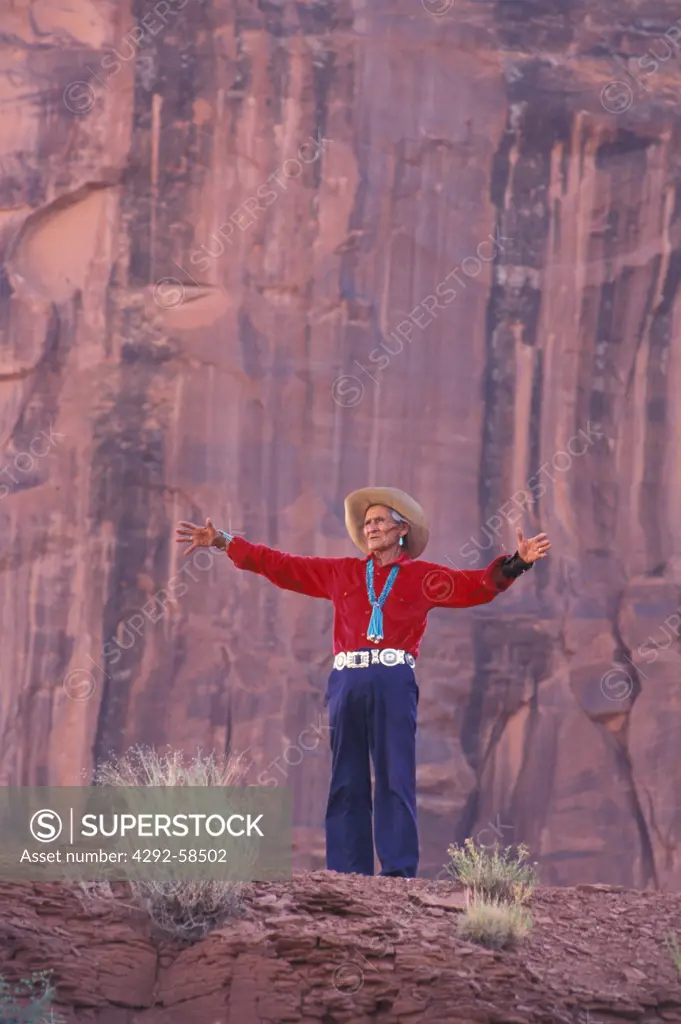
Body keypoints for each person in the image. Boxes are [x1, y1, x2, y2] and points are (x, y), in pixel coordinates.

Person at [175, 486, 551, 878]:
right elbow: (282, 565)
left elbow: (476, 586)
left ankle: (398, 873)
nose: (370, 528)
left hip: (393, 678)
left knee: (395, 775)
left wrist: (516, 564)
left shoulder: (423, 577)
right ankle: (346, 874)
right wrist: (223, 541)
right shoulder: (342, 572)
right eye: (367, 523)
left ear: (401, 529)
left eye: (379, 522)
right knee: (346, 778)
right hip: (347, 680)